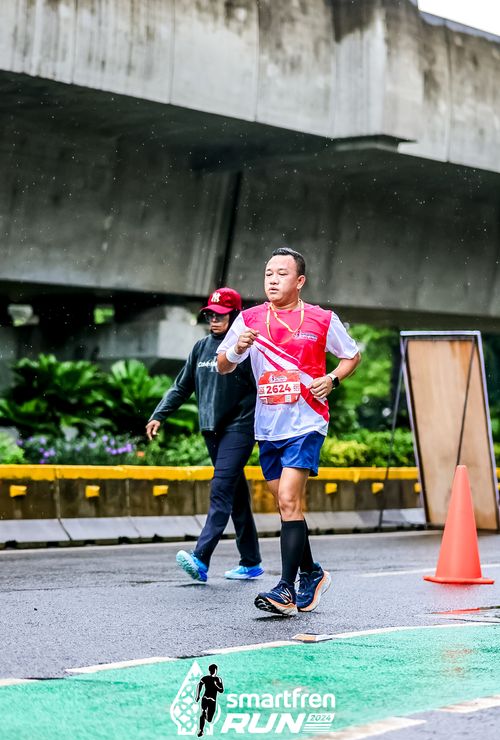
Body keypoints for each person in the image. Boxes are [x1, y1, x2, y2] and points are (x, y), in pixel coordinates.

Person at [217, 249, 361, 616]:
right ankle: (312, 572)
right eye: (268, 273)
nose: (272, 279)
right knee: (286, 505)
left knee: (288, 498)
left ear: (299, 281)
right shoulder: (249, 320)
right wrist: (237, 348)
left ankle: (286, 589)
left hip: (307, 422)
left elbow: (352, 355)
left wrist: (333, 379)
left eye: (282, 273)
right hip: (268, 426)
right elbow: (222, 365)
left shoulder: (321, 319)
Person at [146, 287, 263, 583]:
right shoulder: (200, 348)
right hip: (212, 429)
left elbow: (264, 386)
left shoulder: (246, 347)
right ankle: (251, 561)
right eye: (210, 314)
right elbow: (182, 386)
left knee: (220, 489)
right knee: (236, 494)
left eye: (221, 315)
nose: (214, 319)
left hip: (240, 427)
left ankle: (201, 557)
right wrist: (159, 414)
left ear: (235, 316)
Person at [196, 663, 223, 737]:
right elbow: (199, 685)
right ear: (214, 670)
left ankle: (203, 724)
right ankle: (201, 729)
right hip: (208, 699)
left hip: (209, 700)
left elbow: (221, 690)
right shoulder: (209, 678)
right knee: (204, 714)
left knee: (208, 718)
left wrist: (198, 695)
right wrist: (198, 695)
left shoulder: (215, 679)